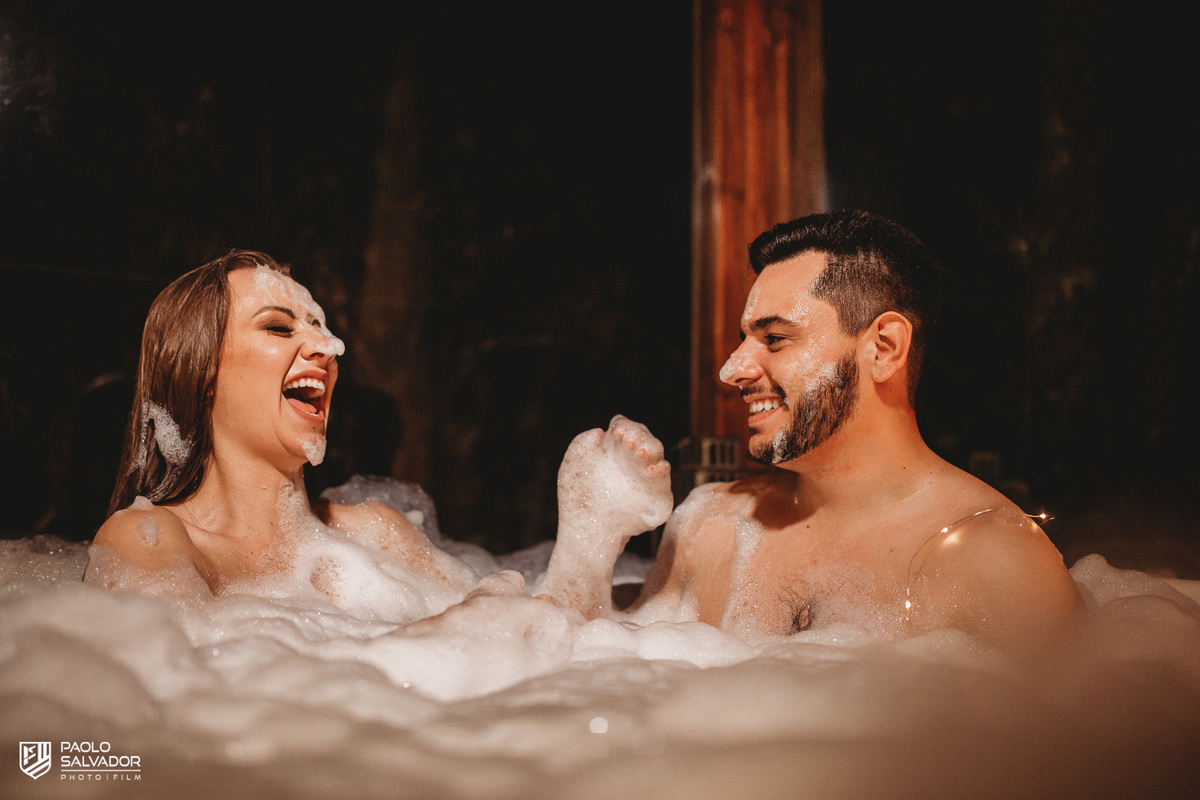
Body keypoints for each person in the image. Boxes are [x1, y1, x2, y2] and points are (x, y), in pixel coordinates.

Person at [541, 210, 1082, 656]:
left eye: (774, 339)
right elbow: (578, 663)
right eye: (743, 340)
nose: (732, 369)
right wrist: (585, 547)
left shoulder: (997, 566)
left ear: (884, 348)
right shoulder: (711, 522)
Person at [88, 250, 478, 601]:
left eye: (319, 328)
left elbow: (506, 636)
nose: (325, 347)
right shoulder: (149, 540)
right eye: (278, 328)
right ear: (201, 373)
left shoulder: (379, 537)